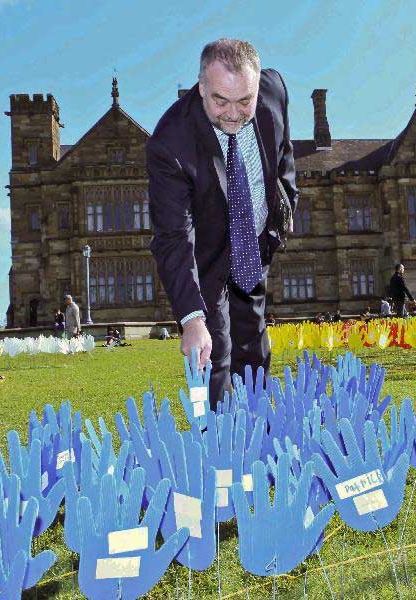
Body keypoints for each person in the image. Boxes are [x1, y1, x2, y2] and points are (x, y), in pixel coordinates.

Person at [146, 39, 298, 408]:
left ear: (258, 85)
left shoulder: (274, 91)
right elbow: (173, 237)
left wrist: (287, 202)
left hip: (253, 248)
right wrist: (191, 318)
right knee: (215, 357)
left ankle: (258, 441)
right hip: (207, 259)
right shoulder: (170, 143)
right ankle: (222, 451)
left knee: (254, 353)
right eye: (220, 101)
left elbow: (283, 154)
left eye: (244, 101)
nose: (233, 114)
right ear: (201, 87)